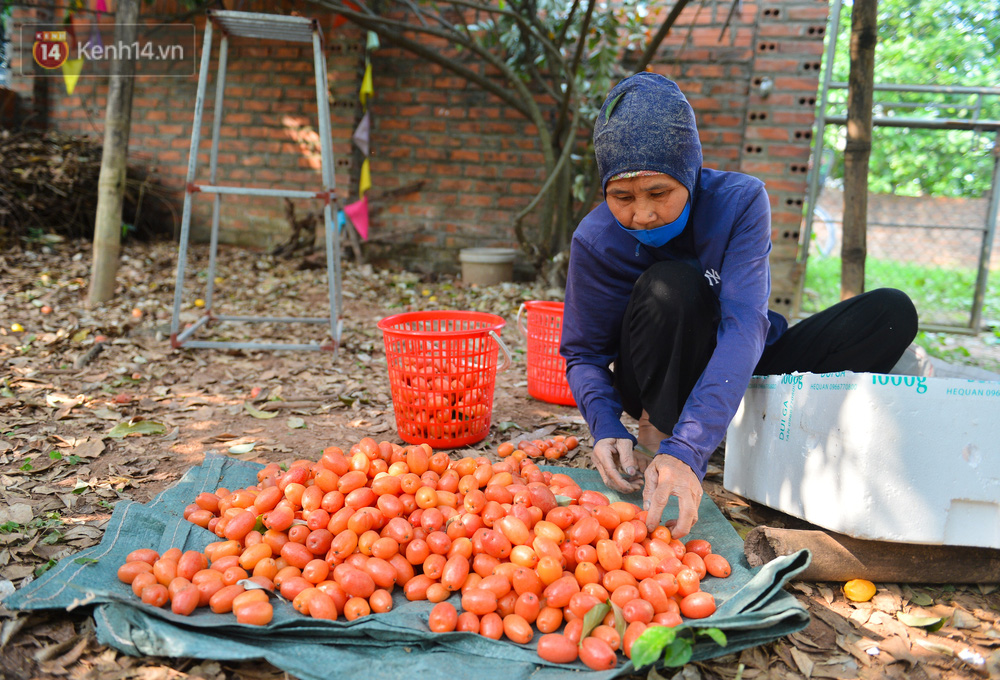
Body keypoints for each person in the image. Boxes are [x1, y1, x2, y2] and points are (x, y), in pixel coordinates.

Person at [560, 72, 918, 538]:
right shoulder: (596, 239)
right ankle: (661, 434)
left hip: (742, 362)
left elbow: (744, 326)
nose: (642, 214)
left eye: (658, 193)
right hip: (655, 376)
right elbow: (584, 353)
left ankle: (752, 428)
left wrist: (690, 451)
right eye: (622, 197)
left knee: (890, 313)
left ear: (688, 174)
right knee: (671, 285)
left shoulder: (740, 202)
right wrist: (606, 425)